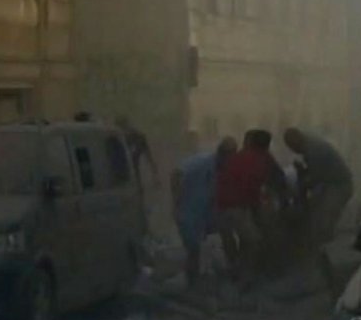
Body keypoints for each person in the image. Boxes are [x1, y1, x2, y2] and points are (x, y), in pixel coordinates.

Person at [215, 129, 286, 283]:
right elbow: (274, 180)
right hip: (236, 205)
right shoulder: (262, 158)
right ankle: (246, 275)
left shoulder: (240, 156)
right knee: (255, 240)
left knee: (238, 239)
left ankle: (235, 269)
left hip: (222, 204)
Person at [170, 137, 237, 287]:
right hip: (188, 210)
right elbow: (176, 173)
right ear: (221, 154)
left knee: (226, 229)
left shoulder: (224, 168)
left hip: (205, 212)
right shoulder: (202, 162)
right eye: (229, 156)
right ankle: (192, 281)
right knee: (193, 249)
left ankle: (232, 269)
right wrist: (176, 201)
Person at [283, 128, 354, 255]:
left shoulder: (313, 150)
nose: (293, 151)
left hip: (339, 185)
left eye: (292, 147)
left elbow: (316, 177)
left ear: (296, 141)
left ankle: (327, 252)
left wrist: (303, 184)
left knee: (324, 220)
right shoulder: (310, 146)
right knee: (318, 214)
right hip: (332, 184)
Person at [116, 115, 160, 188]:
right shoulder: (128, 131)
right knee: (148, 162)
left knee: (141, 164)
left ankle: (151, 181)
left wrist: (134, 149)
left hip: (138, 144)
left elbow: (134, 141)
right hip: (138, 144)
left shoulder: (128, 131)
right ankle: (153, 180)